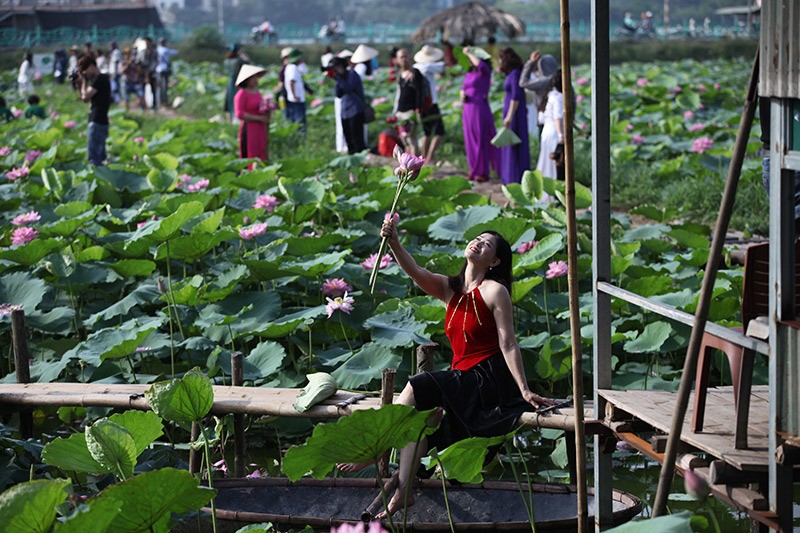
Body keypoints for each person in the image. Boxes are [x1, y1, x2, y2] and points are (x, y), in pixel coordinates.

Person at [344, 220, 554, 519]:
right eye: (477, 238)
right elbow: (416, 271)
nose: (478, 243)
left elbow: (508, 344)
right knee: (418, 422)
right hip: (461, 377)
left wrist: (523, 388)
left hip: (485, 379)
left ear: (494, 261)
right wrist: (393, 241)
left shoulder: (495, 291)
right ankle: (404, 493)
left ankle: (377, 448)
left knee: (418, 384)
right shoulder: (449, 289)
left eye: (487, 245)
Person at [460, 47, 497, 182]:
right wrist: (462, 94)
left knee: (480, 138)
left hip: (479, 107)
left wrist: (469, 53)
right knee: (469, 139)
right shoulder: (469, 73)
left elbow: (480, 64)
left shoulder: (485, 72)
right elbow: (464, 87)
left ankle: (482, 171)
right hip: (468, 108)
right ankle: (473, 170)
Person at [496, 48, 529, 185]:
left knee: (514, 146)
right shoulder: (510, 74)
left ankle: (515, 178)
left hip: (514, 113)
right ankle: (509, 177)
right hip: (510, 111)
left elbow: (515, 96)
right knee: (509, 145)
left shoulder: (515, 73)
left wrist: (509, 116)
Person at [413, 45, 446, 163]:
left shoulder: (415, 67)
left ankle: (423, 157)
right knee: (439, 132)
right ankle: (429, 157)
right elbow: (443, 67)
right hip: (432, 103)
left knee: (426, 132)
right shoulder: (427, 67)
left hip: (421, 105)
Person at [77, 54, 111, 166]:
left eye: (84, 70)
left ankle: (96, 180)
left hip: (96, 121)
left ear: (91, 66)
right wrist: (80, 84)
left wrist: (82, 83)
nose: (85, 73)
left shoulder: (100, 79)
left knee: (93, 158)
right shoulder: (102, 79)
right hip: (102, 121)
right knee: (101, 156)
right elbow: (85, 99)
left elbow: (85, 96)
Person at [233, 64, 270, 164]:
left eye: (256, 77)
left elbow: (260, 106)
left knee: (261, 149)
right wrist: (259, 118)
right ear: (246, 80)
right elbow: (239, 114)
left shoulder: (257, 92)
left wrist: (267, 108)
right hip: (249, 128)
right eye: (252, 78)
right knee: (251, 152)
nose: (255, 80)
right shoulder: (241, 94)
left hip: (260, 127)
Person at [392, 48, 425, 155]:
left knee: (412, 140)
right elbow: (398, 95)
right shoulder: (400, 74)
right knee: (404, 140)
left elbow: (420, 92)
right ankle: (406, 165)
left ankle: (414, 166)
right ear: (397, 60)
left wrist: (419, 109)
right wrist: (395, 112)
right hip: (401, 111)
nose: (404, 59)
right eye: (401, 57)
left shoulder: (415, 73)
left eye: (406, 56)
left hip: (411, 112)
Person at [332, 56, 366, 154]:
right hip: (345, 111)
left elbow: (349, 88)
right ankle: (352, 160)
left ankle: (361, 161)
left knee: (357, 139)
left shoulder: (352, 74)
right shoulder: (340, 78)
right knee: (348, 140)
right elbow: (338, 94)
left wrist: (339, 78)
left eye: (337, 66)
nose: (337, 69)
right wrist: (337, 79)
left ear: (343, 65)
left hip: (355, 110)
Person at [536, 69, 565, 180]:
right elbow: (558, 117)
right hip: (554, 133)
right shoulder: (559, 97)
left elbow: (541, 118)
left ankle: (544, 190)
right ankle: (552, 192)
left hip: (546, 132)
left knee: (545, 162)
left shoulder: (549, 95)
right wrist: (560, 135)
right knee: (554, 165)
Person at [520, 52, 557, 134]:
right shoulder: (562, 79)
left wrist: (530, 63)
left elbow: (523, 83)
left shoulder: (544, 81)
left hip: (546, 120)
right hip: (560, 119)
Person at [284, 48, 308, 131]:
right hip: (297, 99)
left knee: (297, 119)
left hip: (295, 98)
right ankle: (301, 138)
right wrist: (294, 95)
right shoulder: (293, 68)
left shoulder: (290, 67)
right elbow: (291, 82)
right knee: (300, 121)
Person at [224, 44, 250, 122]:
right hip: (238, 83)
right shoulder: (239, 60)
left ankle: (230, 120)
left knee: (229, 102)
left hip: (230, 83)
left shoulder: (227, 61)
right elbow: (248, 63)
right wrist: (242, 54)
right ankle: (237, 119)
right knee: (237, 101)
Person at [156, 39, 178, 108]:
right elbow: (174, 52)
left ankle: (159, 101)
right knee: (164, 87)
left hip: (158, 70)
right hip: (164, 69)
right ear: (163, 43)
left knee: (159, 86)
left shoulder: (157, 50)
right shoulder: (164, 50)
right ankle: (164, 102)